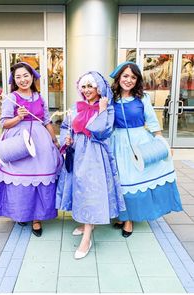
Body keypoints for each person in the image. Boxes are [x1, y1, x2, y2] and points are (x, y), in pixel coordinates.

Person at [0, 62, 62, 237]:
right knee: (19, 178)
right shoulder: (11, 97)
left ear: (32, 77)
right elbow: (4, 123)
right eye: (18, 77)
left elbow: (46, 121)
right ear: (14, 80)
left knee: (41, 177)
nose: (23, 80)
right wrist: (19, 117)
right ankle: (21, 214)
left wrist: (54, 140)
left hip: (41, 144)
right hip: (18, 142)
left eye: (26, 75)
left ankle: (36, 218)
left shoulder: (39, 97)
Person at [56, 71, 125, 259]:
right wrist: (67, 138)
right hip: (77, 152)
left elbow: (102, 132)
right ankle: (87, 222)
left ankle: (86, 237)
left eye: (90, 86)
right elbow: (65, 127)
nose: (86, 91)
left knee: (90, 191)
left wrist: (102, 110)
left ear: (99, 88)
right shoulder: (76, 106)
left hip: (95, 154)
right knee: (79, 189)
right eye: (83, 87)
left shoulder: (107, 108)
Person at [109, 61, 182, 238]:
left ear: (137, 80)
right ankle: (122, 215)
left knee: (136, 178)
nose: (129, 80)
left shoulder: (143, 98)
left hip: (139, 142)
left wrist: (161, 141)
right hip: (117, 143)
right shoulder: (110, 98)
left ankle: (129, 220)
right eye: (125, 76)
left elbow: (151, 121)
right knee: (121, 180)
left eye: (133, 77)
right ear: (118, 78)